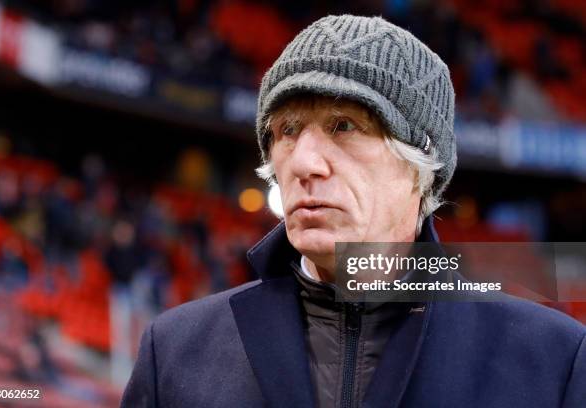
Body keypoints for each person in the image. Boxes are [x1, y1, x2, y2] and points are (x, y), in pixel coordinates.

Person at [121, 15, 586, 407]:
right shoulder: (176, 352)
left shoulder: (555, 360)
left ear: (422, 163)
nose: (303, 163)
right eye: (286, 131)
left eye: (344, 125)